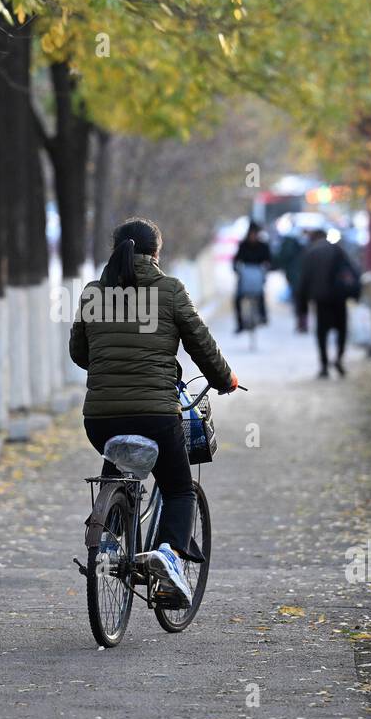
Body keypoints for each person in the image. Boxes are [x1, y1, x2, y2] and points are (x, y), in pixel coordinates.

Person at [69, 218, 238, 607]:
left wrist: (110, 369)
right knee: (179, 489)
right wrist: (225, 378)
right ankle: (169, 555)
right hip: (157, 416)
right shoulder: (170, 289)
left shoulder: (94, 293)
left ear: (116, 249)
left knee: (117, 459)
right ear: (156, 254)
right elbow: (201, 344)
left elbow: (80, 353)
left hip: (99, 419)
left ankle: (108, 534)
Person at [295, 229, 360, 378]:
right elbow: (352, 271)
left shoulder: (310, 253)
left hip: (321, 299)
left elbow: (304, 281)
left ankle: (324, 365)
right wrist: (354, 294)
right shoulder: (338, 250)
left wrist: (302, 306)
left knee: (321, 333)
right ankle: (338, 358)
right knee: (342, 330)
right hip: (339, 297)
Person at [233, 220, 271, 332]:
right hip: (245, 274)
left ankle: (263, 316)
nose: (253, 236)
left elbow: (269, 260)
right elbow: (236, 259)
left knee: (260, 294)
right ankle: (240, 324)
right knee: (237, 298)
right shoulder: (243, 245)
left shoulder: (263, 246)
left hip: (258, 274)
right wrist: (236, 270)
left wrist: (266, 269)